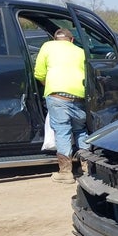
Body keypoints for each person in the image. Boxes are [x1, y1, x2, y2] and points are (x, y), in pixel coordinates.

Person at [34, 27, 87, 184]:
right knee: (81, 131)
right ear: (71, 40)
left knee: (63, 131)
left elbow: (39, 73)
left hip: (57, 96)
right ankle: (87, 167)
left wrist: (48, 85)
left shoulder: (47, 46)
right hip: (79, 96)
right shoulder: (80, 51)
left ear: (55, 39)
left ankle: (65, 173)